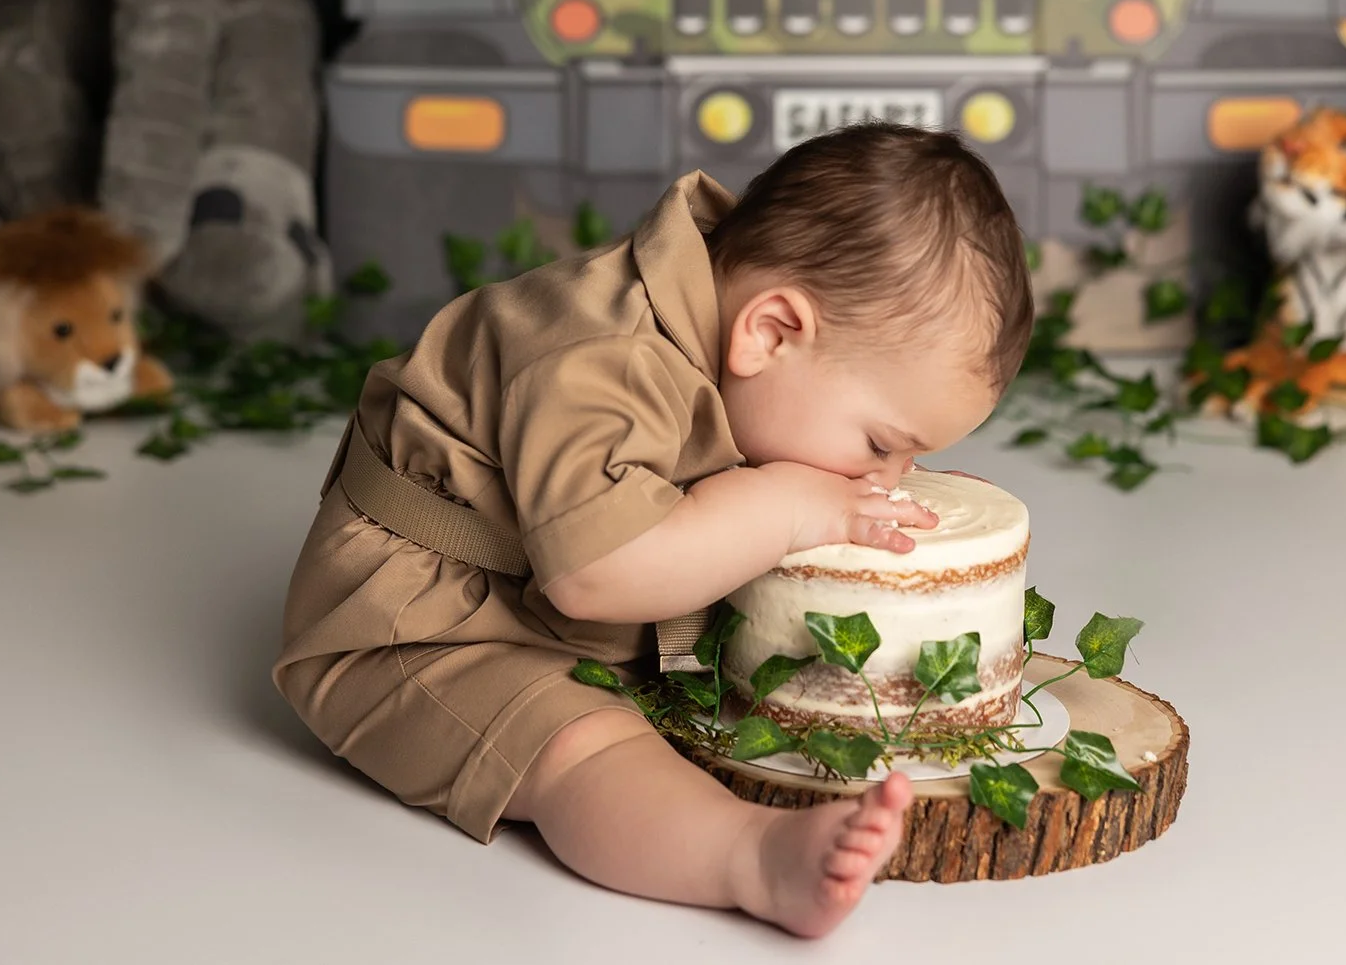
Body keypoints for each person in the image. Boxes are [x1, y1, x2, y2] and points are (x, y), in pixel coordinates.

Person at [273, 121, 1036, 937]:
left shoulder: (733, 323)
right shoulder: (600, 360)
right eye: (882, 444)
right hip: (427, 624)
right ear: (771, 331)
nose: (883, 475)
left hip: (544, 594)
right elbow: (593, 573)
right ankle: (751, 855)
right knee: (584, 755)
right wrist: (790, 507)